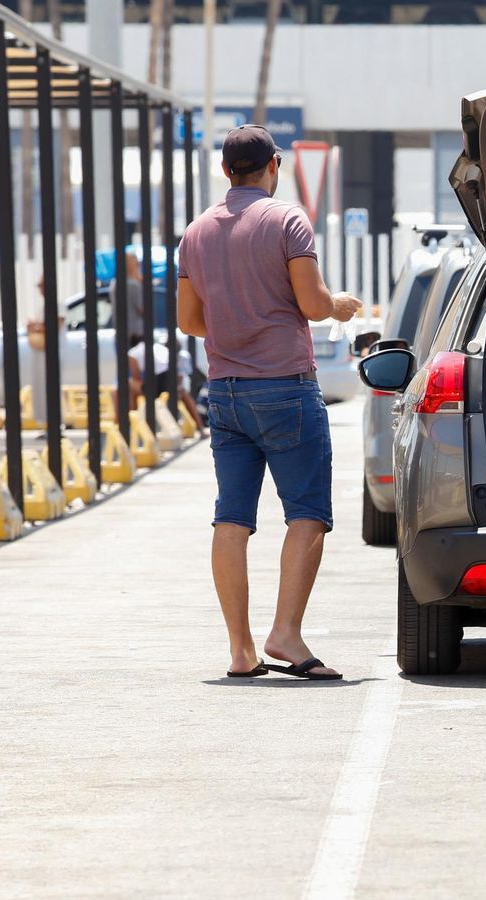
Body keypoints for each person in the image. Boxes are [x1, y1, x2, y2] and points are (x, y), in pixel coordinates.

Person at [176, 124, 364, 680]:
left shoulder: (196, 232)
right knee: (307, 514)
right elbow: (310, 302)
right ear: (274, 165)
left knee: (231, 518)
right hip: (285, 385)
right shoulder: (286, 220)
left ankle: (241, 649)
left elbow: (188, 320)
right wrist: (340, 305)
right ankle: (285, 634)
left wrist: (234, 321)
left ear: (225, 171)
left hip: (226, 392)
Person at [125, 333, 205, 432]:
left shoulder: (133, 353)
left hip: (155, 381)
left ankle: (132, 422)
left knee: (131, 384)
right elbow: (175, 367)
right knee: (185, 395)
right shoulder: (159, 347)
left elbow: (136, 377)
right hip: (171, 377)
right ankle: (200, 427)